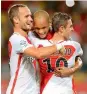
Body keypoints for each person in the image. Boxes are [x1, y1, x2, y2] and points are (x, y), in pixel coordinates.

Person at [6, 4, 65, 94]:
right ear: (16, 20)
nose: (31, 19)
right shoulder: (16, 39)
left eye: (30, 16)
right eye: (26, 16)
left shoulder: (30, 38)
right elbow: (38, 53)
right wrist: (59, 46)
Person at [28, 11, 83, 94]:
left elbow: (78, 60)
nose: (41, 32)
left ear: (50, 24)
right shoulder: (73, 45)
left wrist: (71, 70)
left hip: (47, 89)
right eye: (37, 28)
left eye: (44, 28)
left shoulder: (37, 43)